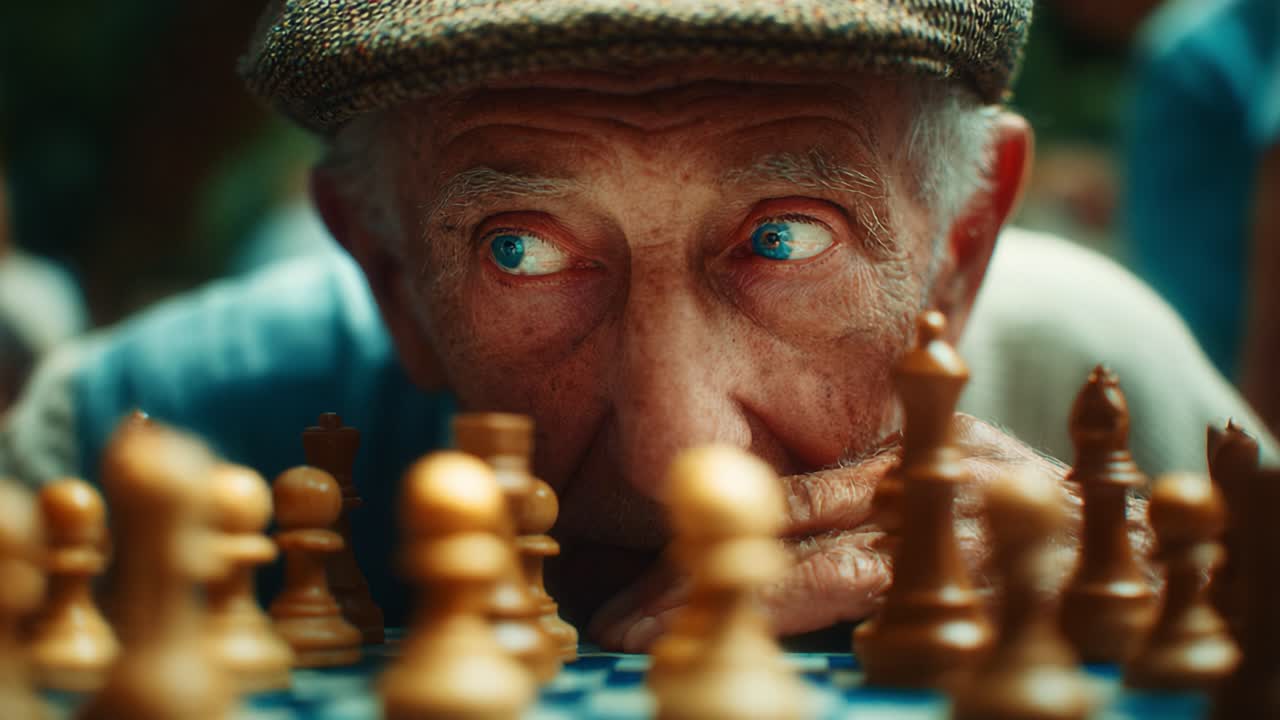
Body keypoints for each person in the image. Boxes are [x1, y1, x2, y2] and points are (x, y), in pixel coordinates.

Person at [1, 0, 1275, 651]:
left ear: (958, 247)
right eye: (519, 249)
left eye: (785, 237)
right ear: (386, 270)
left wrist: (1191, 628)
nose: (683, 458)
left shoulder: (1110, 394)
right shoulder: (133, 439)